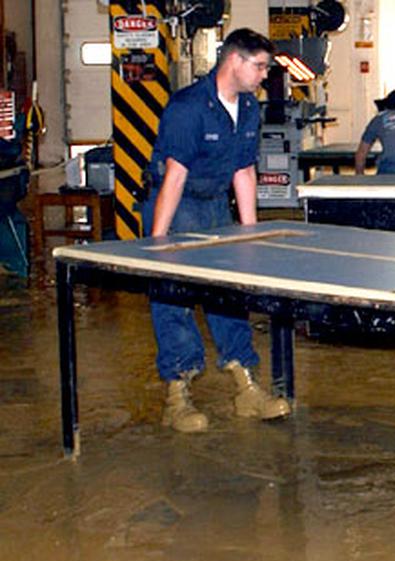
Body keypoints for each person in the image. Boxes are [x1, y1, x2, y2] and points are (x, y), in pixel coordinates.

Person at [143, 28, 290, 433]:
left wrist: (251, 237)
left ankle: (246, 389)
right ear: (235, 61)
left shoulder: (249, 108)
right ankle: (176, 396)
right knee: (174, 298)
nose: (264, 75)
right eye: (260, 66)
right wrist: (159, 244)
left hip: (214, 206)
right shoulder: (188, 107)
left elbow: (244, 170)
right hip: (177, 203)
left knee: (228, 293)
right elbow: (173, 177)